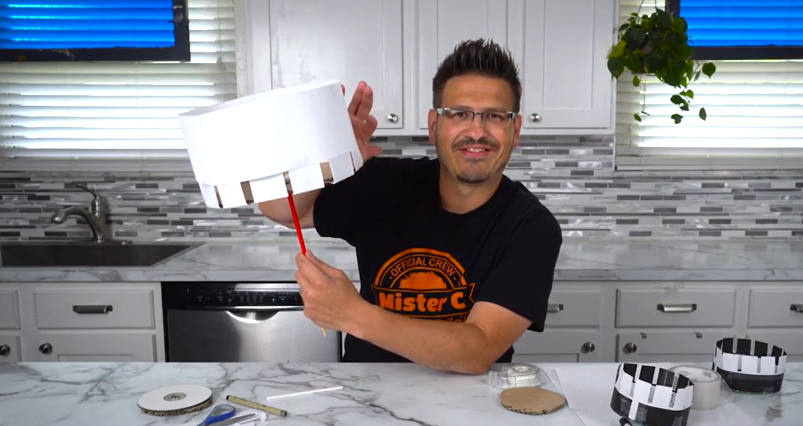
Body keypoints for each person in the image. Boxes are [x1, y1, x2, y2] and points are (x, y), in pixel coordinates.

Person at [258, 38, 562, 375]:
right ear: (434, 126)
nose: (477, 131)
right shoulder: (386, 185)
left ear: (514, 130)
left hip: (472, 405)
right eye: (459, 114)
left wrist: (352, 314)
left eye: (494, 116)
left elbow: (478, 350)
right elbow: (282, 210)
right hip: (366, 397)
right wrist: (329, 159)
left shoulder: (531, 227)